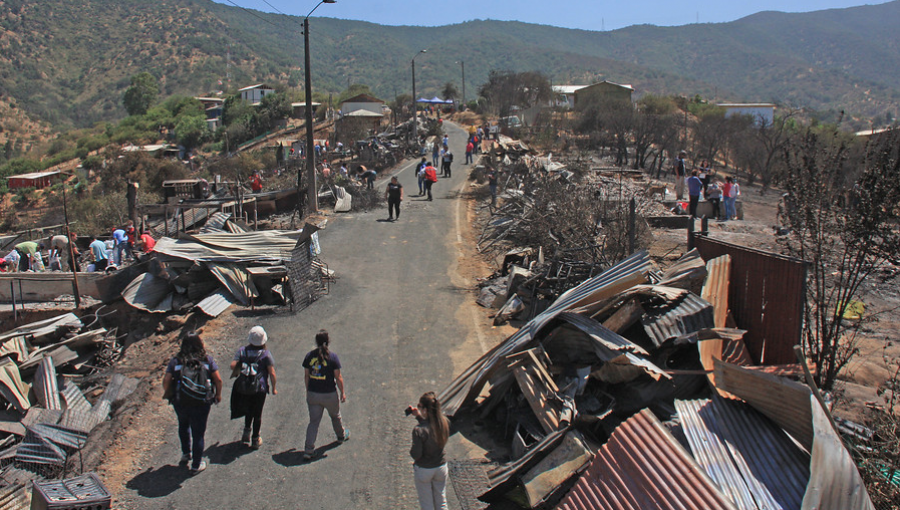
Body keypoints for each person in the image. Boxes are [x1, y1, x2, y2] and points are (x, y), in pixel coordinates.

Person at [162, 331, 223, 474]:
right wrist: (218, 395)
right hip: (202, 401)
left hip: (181, 401)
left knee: (183, 425)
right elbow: (218, 380)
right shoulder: (207, 360)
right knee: (198, 433)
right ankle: (196, 464)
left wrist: (170, 393)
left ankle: (186, 453)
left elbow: (166, 381)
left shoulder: (176, 361)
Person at [302, 330, 349, 461]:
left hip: (313, 394)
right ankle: (341, 435)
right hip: (329, 394)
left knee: (314, 422)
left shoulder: (309, 356)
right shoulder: (333, 357)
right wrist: (342, 392)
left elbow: (306, 376)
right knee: (335, 415)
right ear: (328, 341)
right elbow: (338, 377)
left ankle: (308, 449)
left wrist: (308, 391)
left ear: (316, 342)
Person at [230, 326, 277, 449]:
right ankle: (255, 438)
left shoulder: (242, 351)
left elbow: (233, 366)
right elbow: (271, 372)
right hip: (259, 388)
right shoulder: (265, 354)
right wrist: (273, 388)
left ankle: (246, 432)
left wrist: (244, 366)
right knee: (258, 413)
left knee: (248, 409)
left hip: (245, 386)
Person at [407, 392, 451, 510]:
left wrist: (411, 452)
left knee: (427, 505)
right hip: (441, 468)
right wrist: (418, 417)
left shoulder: (418, 430)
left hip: (424, 470)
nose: (419, 408)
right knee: (441, 502)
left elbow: (416, 454)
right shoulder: (444, 423)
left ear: (425, 409)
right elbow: (431, 427)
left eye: (420, 406)